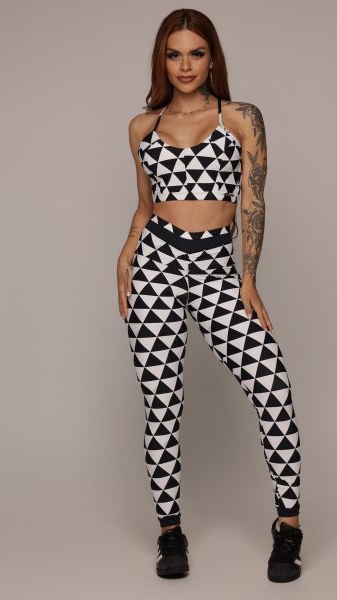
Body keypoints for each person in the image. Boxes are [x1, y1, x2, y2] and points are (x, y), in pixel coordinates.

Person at [116, 8, 303, 583]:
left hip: (217, 268)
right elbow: (146, 206)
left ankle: (288, 528)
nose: (185, 65)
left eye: (196, 53)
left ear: (212, 57)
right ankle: (169, 532)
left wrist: (248, 278)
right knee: (161, 403)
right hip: (155, 265)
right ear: (162, 60)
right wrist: (126, 251)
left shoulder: (240, 117)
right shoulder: (142, 127)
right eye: (174, 54)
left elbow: (253, 202)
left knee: (271, 383)